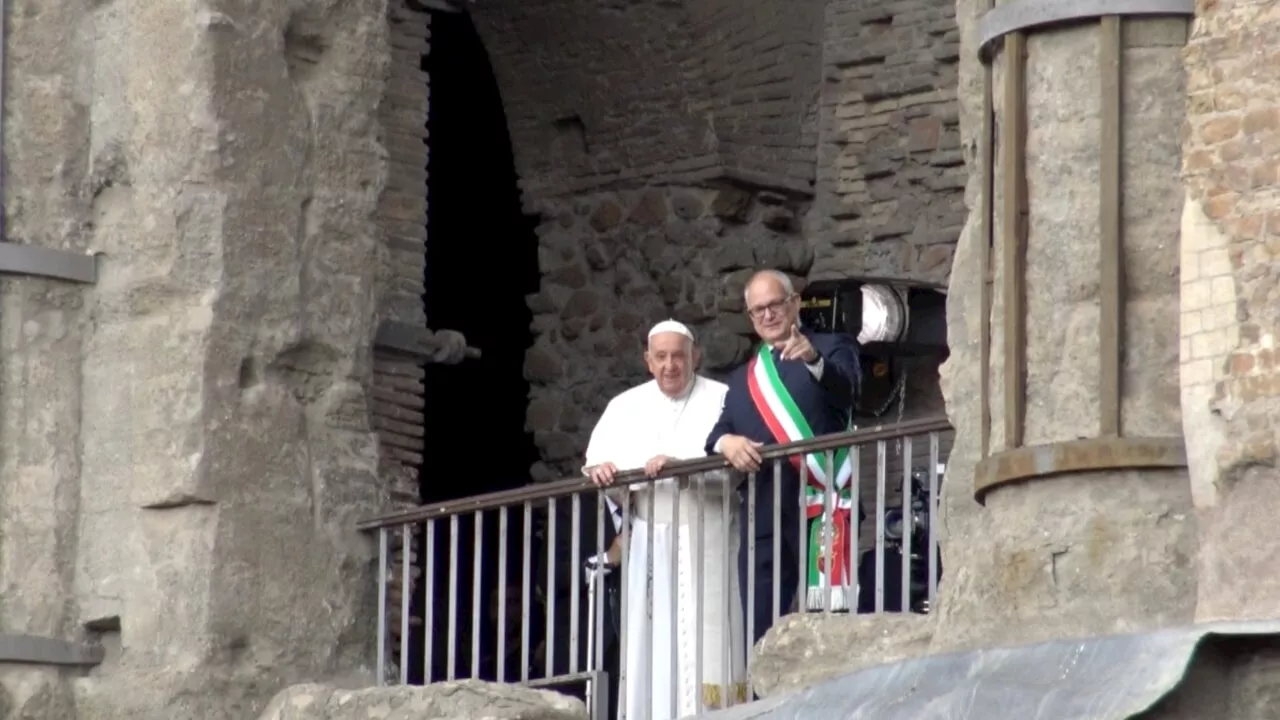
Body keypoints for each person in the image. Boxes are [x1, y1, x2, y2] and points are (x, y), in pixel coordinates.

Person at [584, 320, 748, 718]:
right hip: (649, 539)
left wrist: (686, 469)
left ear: (696, 356)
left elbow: (739, 467)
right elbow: (594, 465)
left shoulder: (724, 398)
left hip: (705, 529)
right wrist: (606, 473)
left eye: (678, 355)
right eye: (661, 357)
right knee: (650, 643)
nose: (670, 365)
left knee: (710, 639)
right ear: (647, 361)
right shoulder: (624, 406)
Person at [705, 270, 862, 648]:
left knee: (830, 628)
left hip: (822, 508)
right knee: (760, 630)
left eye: (775, 304)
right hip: (765, 515)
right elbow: (716, 432)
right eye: (758, 310)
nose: (768, 315)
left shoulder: (831, 346)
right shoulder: (743, 379)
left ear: (795, 303)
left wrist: (813, 360)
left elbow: (849, 391)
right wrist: (725, 442)